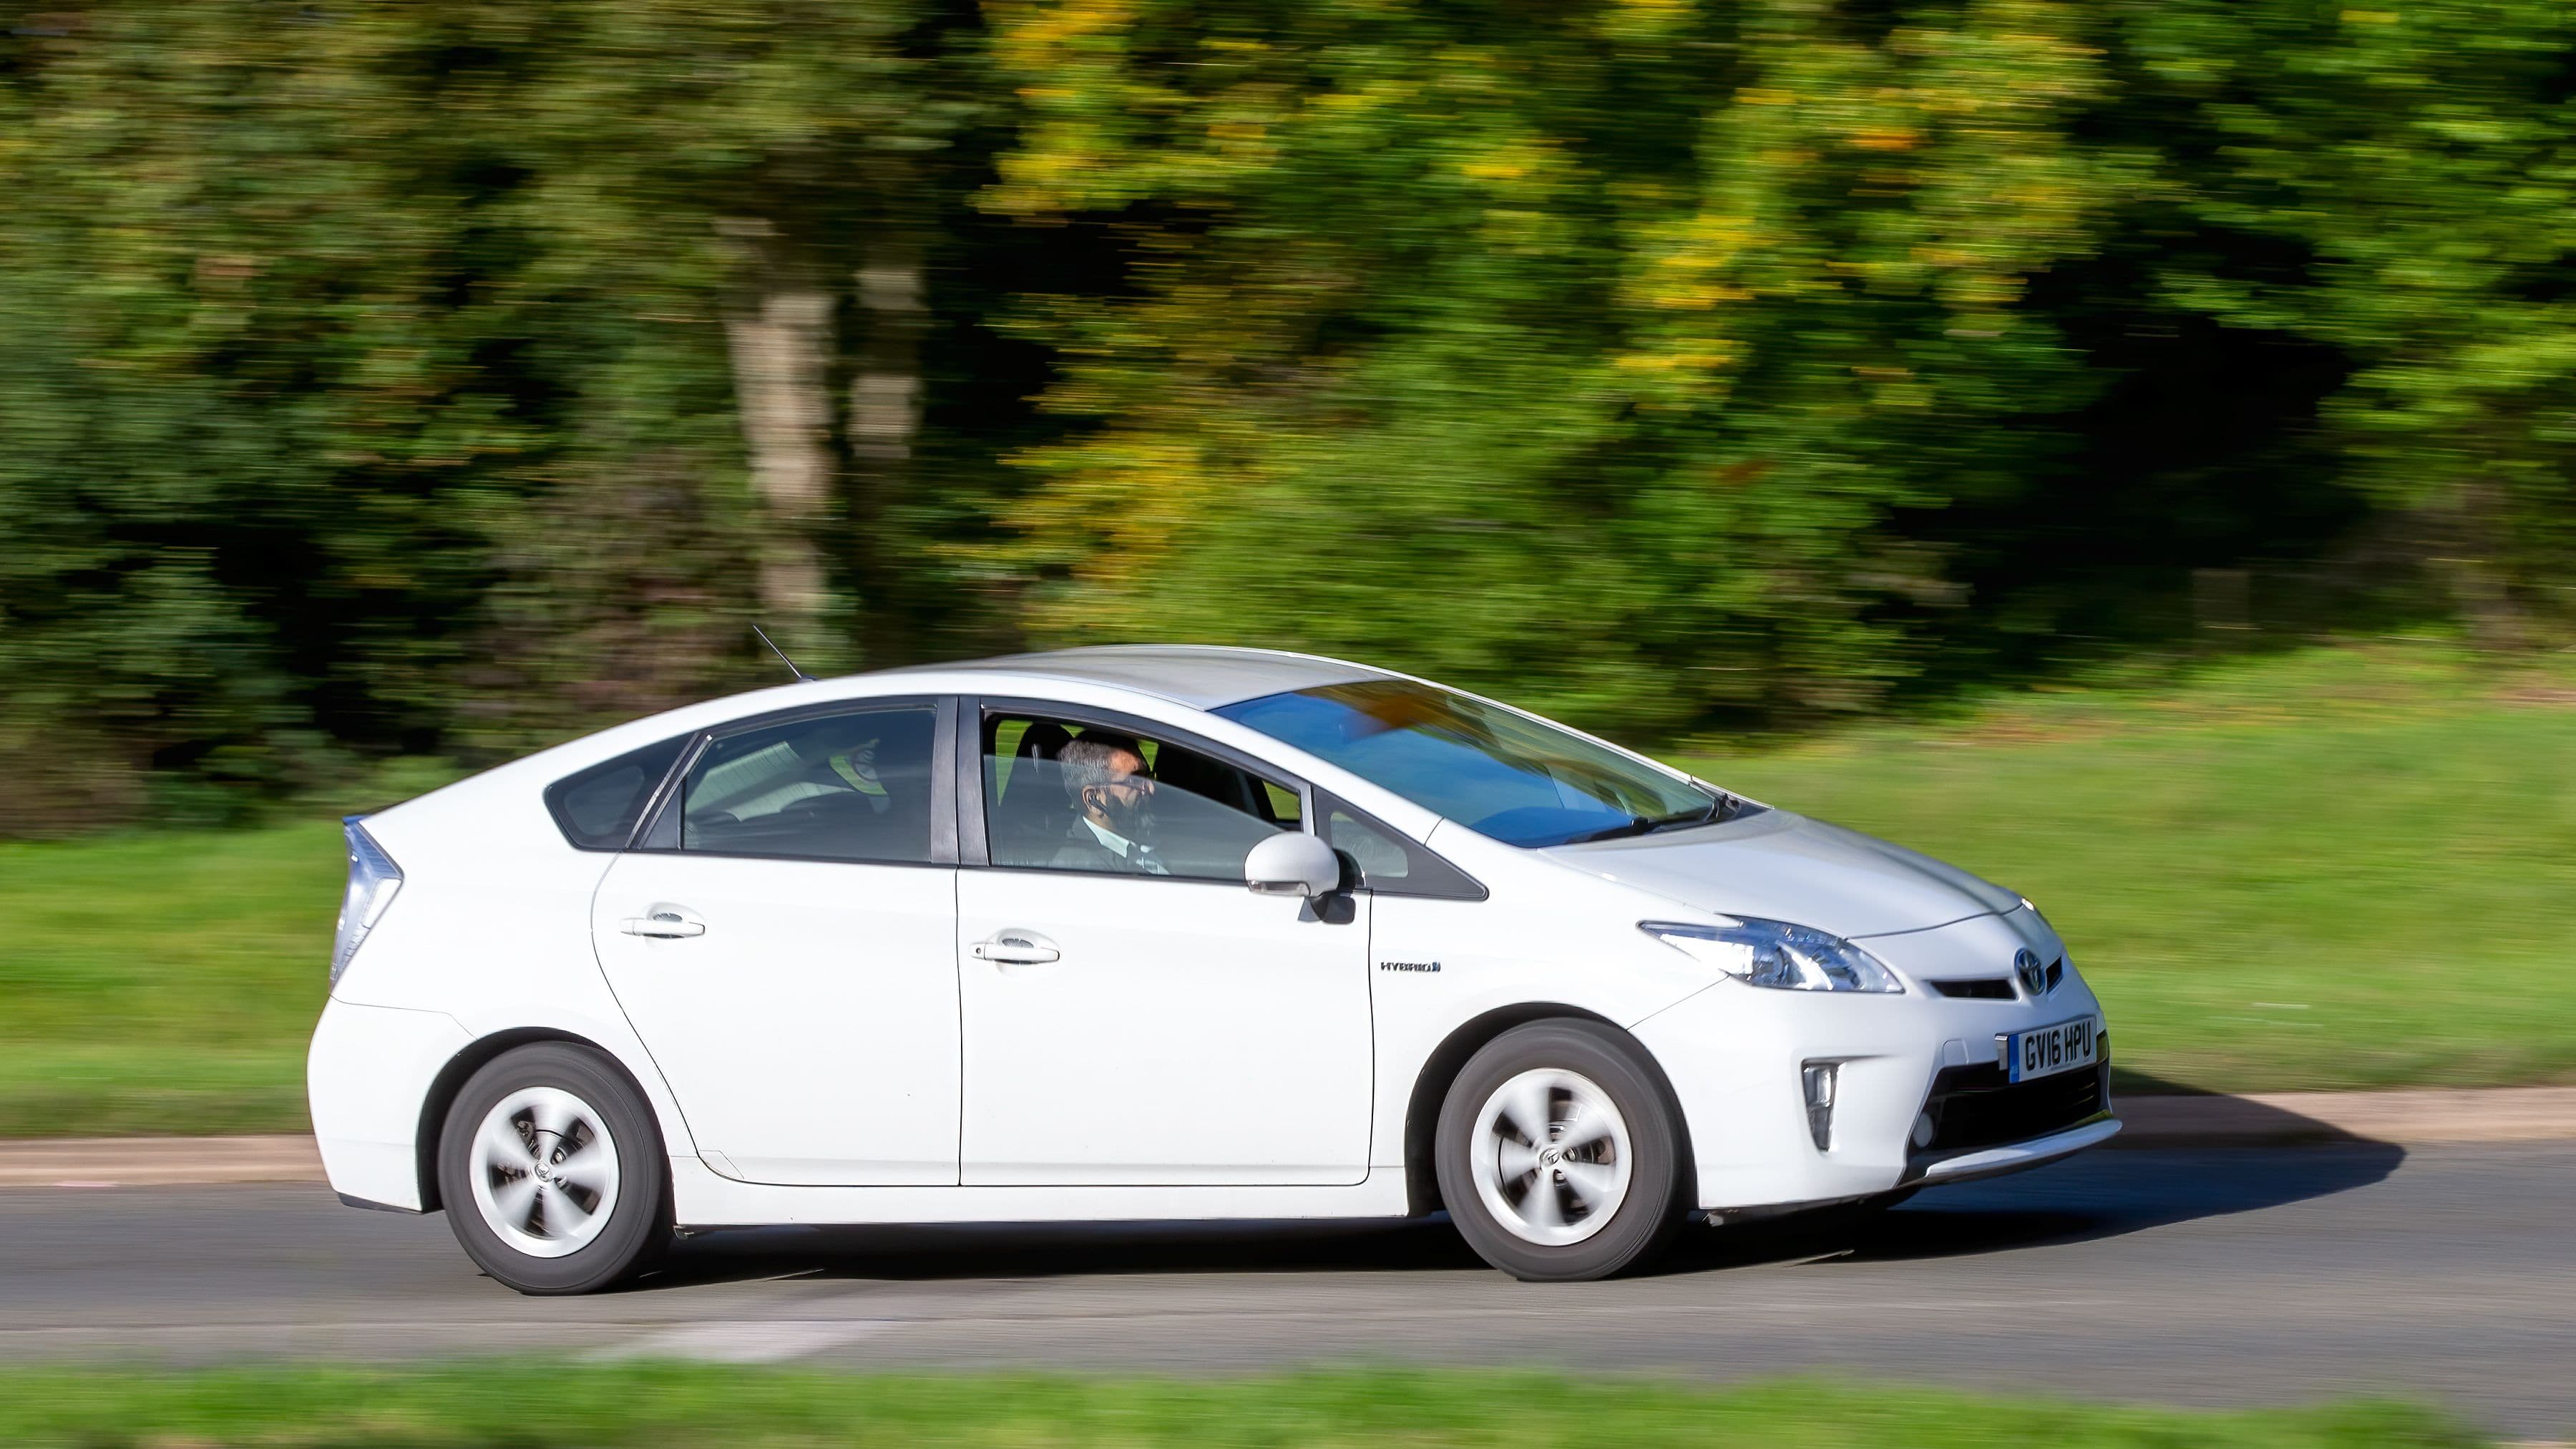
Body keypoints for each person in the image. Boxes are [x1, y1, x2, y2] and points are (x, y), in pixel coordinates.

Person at [1050, 733, 1169, 875]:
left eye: (1147, 776)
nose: (1151, 788)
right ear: (1094, 799)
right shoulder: (1085, 872)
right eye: (1134, 780)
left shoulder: (1141, 838)